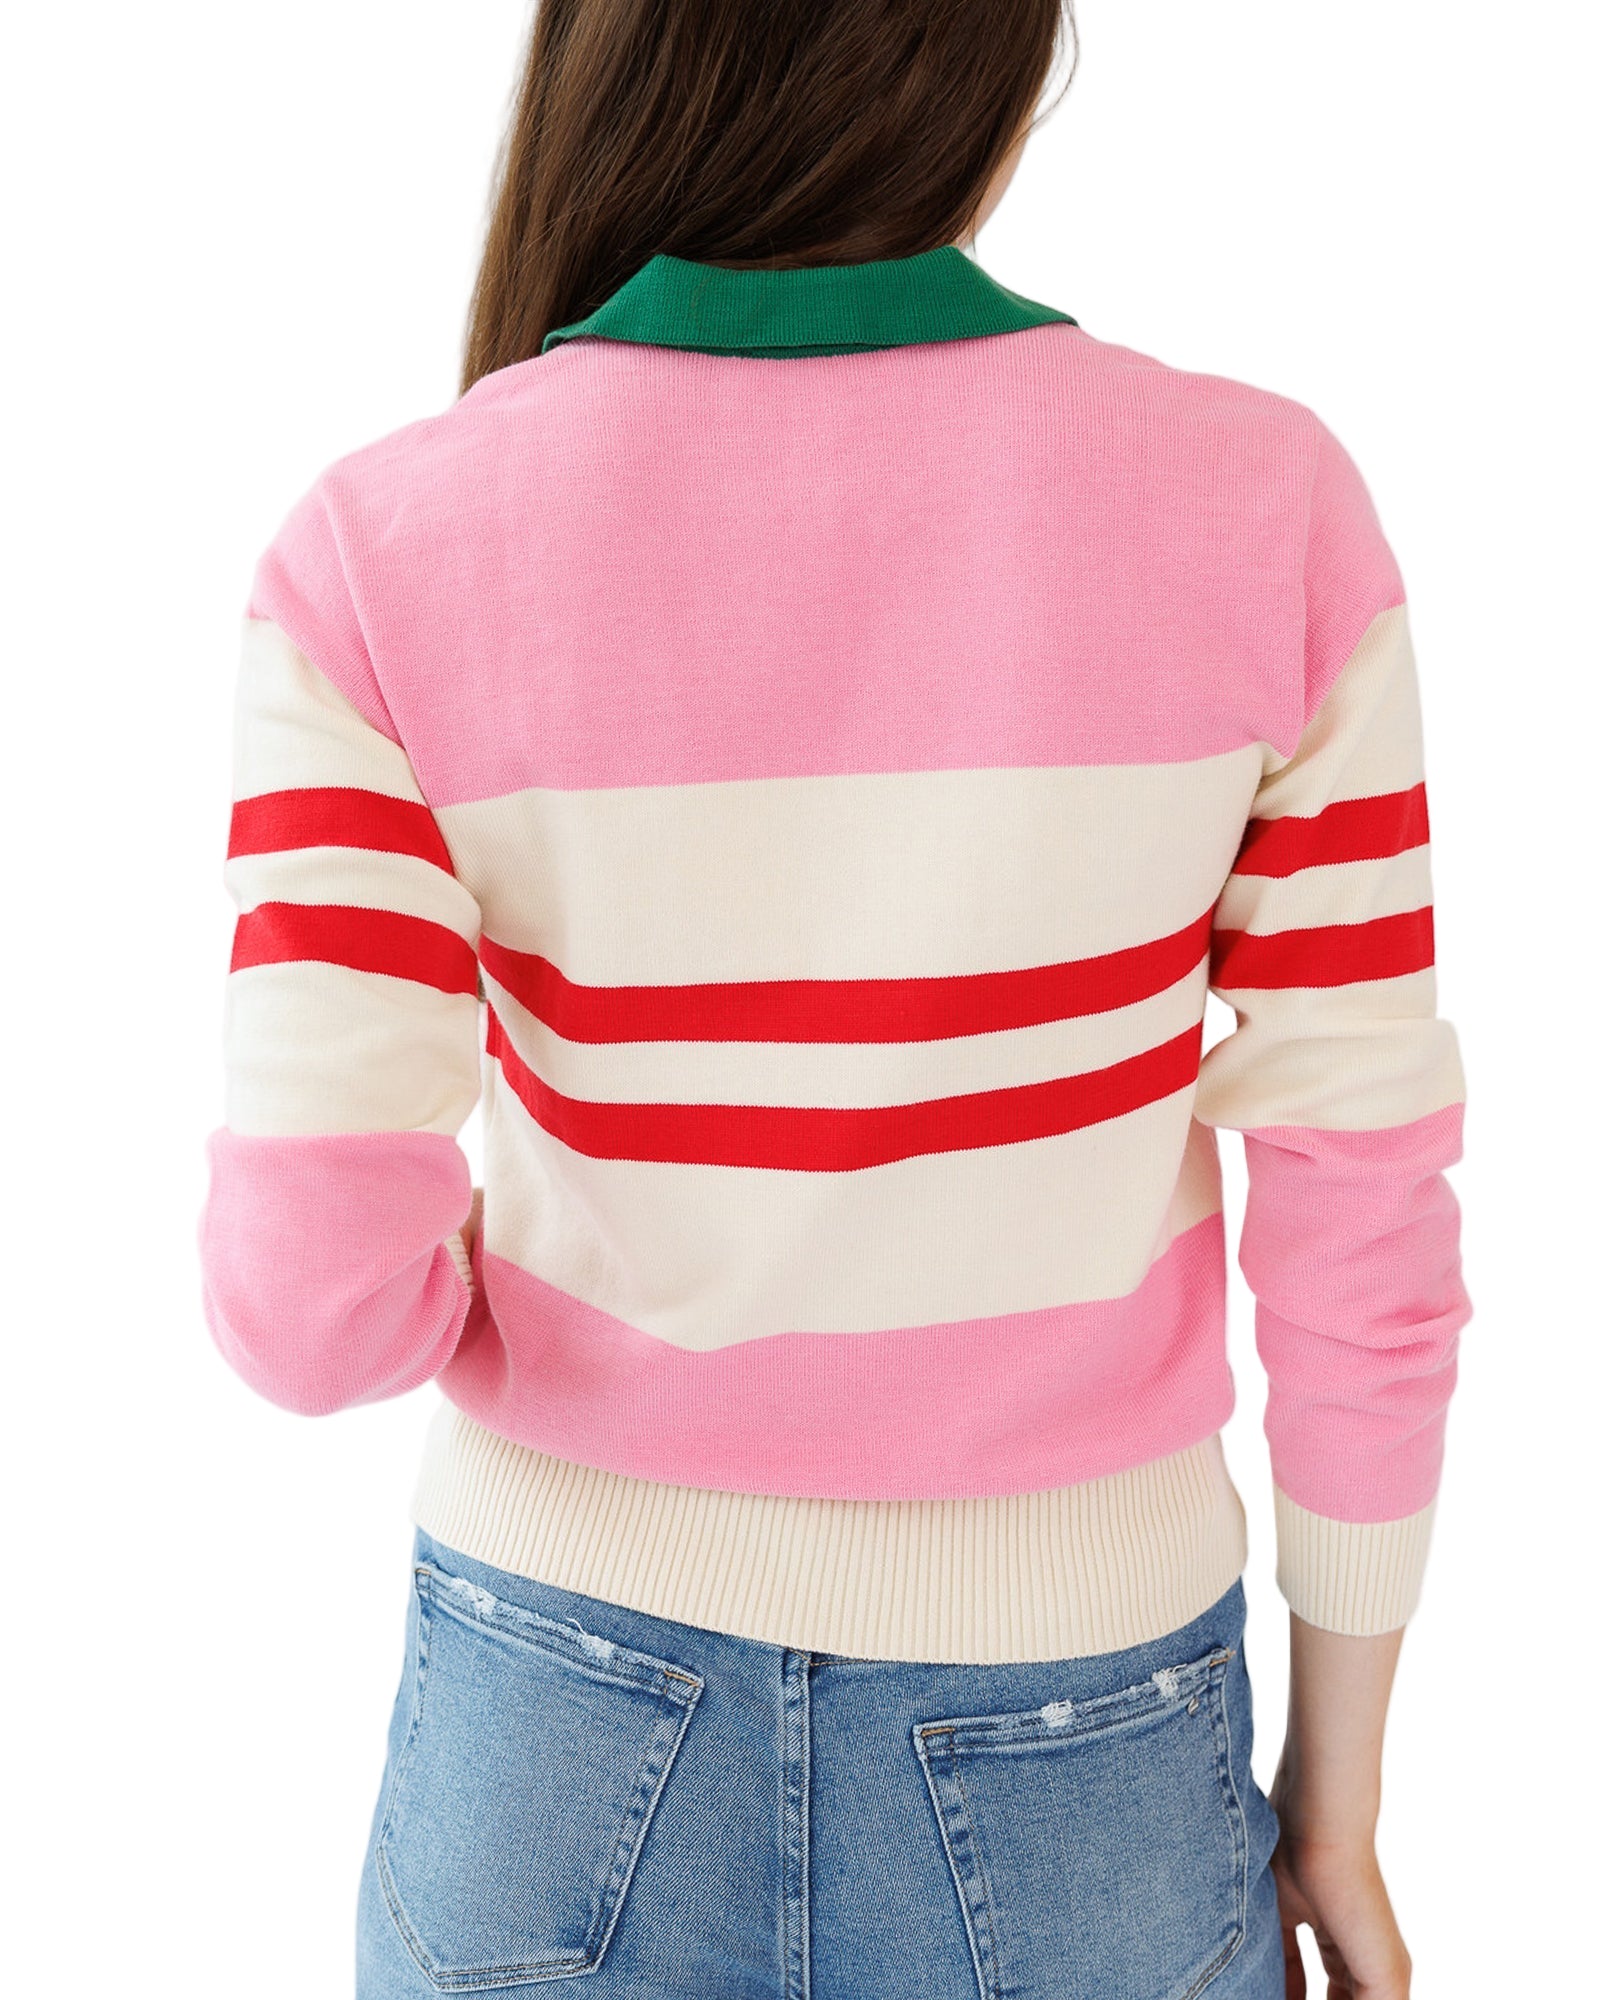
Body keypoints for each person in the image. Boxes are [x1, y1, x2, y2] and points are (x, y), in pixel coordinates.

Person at [197, 3, 1468, 1994]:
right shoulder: (1266, 504)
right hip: (1086, 1737)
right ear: (990, 71)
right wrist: (1339, 1803)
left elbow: (303, 1309)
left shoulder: (378, 548)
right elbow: (1360, 1209)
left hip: (551, 1715)